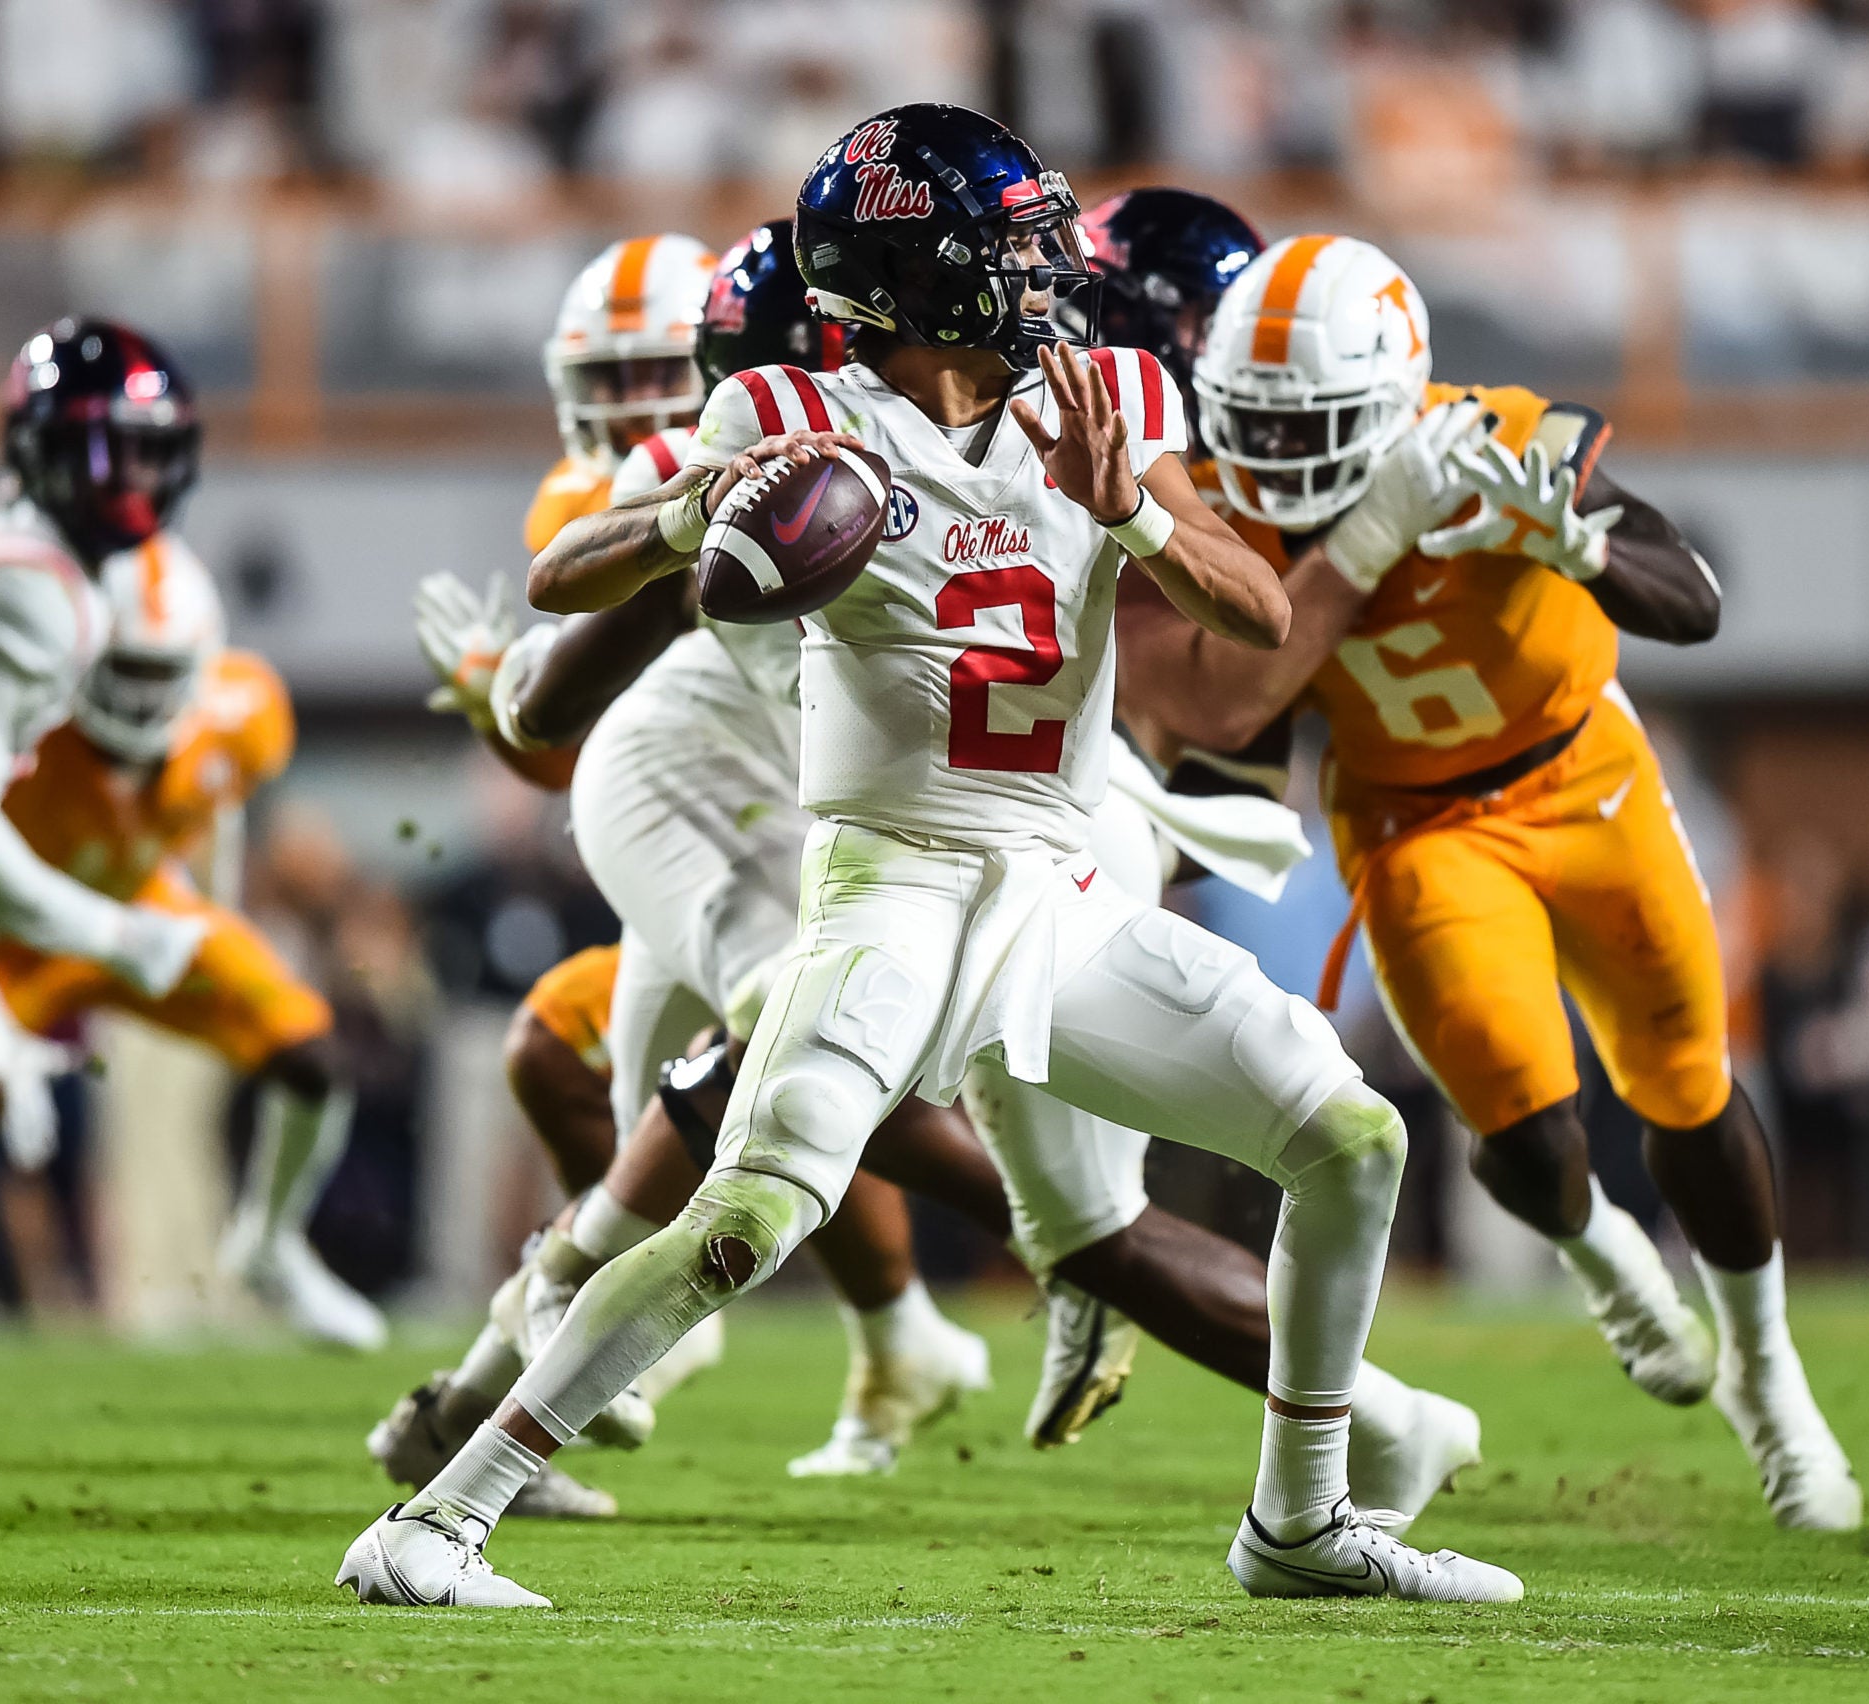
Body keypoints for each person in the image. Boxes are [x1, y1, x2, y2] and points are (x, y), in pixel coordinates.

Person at [338, 104, 1521, 1609]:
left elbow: (1256, 610)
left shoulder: (1113, 402)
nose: (1044, 269)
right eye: (1009, 244)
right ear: (914, 274)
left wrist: (1136, 521)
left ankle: (1299, 1523)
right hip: (886, 881)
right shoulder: (785, 417)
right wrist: (690, 513)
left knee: (1354, 1144)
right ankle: (436, 1525)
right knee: (750, 1219)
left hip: (1058, 895)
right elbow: (567, 575)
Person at [1121, 233, 1860, 1532]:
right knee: (1521, 1131)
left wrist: (1581, 548)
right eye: (1261, 429)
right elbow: (1218, 702)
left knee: (1687, 1082)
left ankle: (1769, 1376)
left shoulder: (1506, 437)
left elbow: (1691, 603)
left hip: (1583, 778)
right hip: (1415, 824)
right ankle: (1604, 1256)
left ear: (1399, 396)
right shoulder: (1213, 502)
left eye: (1320, 430)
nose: (1281, 467)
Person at [394, 227, 993, 1497]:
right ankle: (564, 1358)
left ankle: (514, 1374)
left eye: (652, 374)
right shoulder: (657, 485)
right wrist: (514, 693)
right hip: (733, 827)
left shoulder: (868, 451)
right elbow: (568, 733)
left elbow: (551, 721)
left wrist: (508, 691)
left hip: (825, 827)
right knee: (676, 1084)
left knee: (746, 1080)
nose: (633, 409)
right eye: (604, 383)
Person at [0, 533, 382, 1348]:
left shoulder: (240, 714)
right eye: (122, 672)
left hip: (146, 919)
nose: (135, 701)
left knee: (307, 1051)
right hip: (19, 936)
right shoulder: (16, 729)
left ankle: (270, 1246)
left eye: (156, 676)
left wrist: (219, 913)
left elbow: (219, 801)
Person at [0, 321, 209, 1179]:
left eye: (153, 453)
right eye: (114, 454)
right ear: (48, 450)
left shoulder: (11, 536)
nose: (138, 482)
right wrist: (114, 936)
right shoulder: (33, 589)